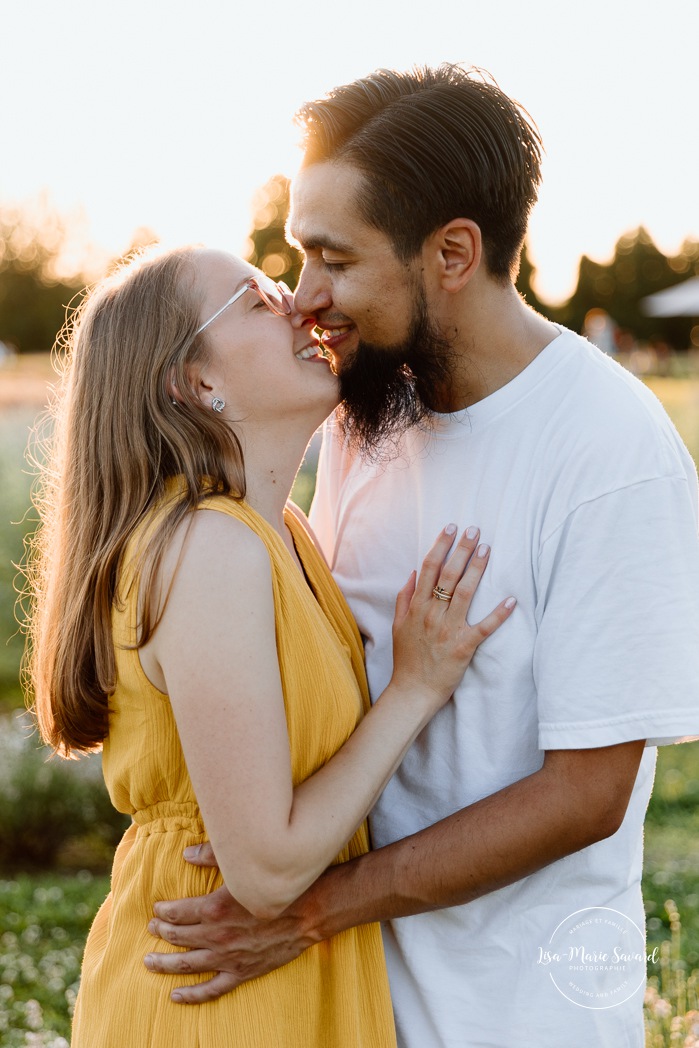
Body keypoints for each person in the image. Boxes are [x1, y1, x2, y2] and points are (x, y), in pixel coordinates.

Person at [143, 66, 699, 1047]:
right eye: (297, 255)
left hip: (512, 1017)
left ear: (451, 253)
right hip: (339, 1007)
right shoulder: (362, 417)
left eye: (335, 258)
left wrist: (313, 906)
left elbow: (588, 794)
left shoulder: (609, 448)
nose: (305, 296)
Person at [24, 243, 516, 1047]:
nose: (297, 304)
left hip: (283, 977)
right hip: (215, 997)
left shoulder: (278, 532)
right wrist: (415, 690)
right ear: (198, 382)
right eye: (255, 299)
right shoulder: (208, 547)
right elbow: (264, 873)